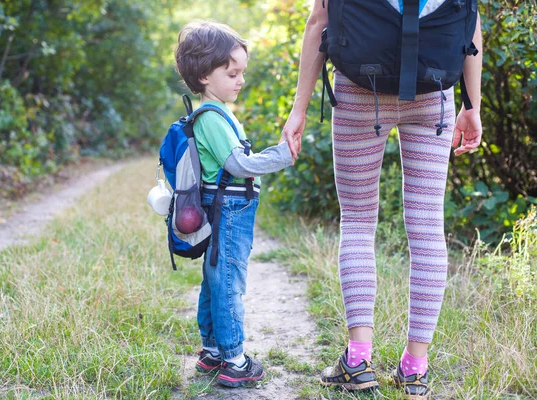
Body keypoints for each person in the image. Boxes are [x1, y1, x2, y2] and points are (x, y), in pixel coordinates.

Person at [281, 0, 483, 398]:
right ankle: (415, 368)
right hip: (433, 96)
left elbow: (319, 21)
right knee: (427, 228)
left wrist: (298, 109)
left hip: (360, 92)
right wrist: (472, 106)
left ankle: (357, 361)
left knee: (357, 220)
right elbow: (471, 27)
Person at [174, 21, 294, 388]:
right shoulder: (212, 116)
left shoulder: (216, 111)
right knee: (228, 281)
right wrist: (282, 155)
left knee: (215, 280)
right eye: (232, 73)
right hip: (228, 209)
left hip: (224, 206)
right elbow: (238, 165)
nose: (240, 80)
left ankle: (212, 352)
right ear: (205, 76)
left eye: (242, 71)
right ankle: (234, 359)